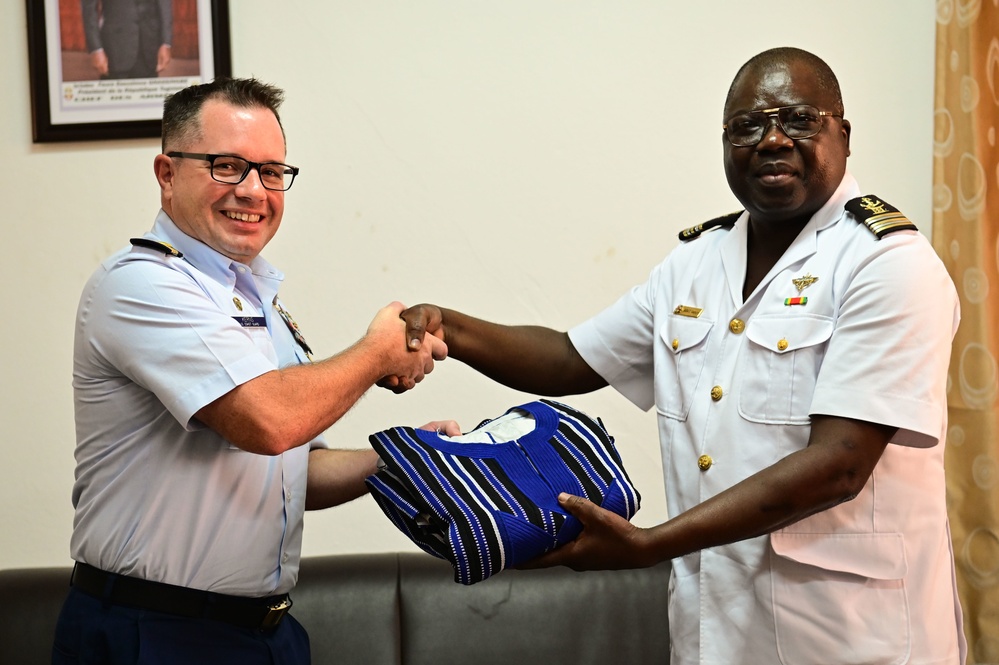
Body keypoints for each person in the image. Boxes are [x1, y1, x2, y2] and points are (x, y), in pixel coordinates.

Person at [401, 47, 967, 664]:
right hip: (717, 631)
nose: (772, 140)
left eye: (798, 119)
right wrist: (448, 327)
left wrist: (651, 544)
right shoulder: (696, 264)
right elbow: (570, 358)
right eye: (747, 126)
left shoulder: (887, 264)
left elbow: (839, 463)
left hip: (851, 638)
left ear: (843, 134)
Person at [52, 77, 450, 665]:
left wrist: (404, 460)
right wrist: (376, 355)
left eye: (270, 172)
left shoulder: (259, 300)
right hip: (155, 631)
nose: (253, 191)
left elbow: (289, 471)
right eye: (226, 165)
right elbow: (268, 421)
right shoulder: (140, 284)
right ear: (166, 173)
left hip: (264, 632)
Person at [81, 0, 173, 79]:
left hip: (149, 46)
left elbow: (164, 4)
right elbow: (89, 10)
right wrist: (96, 49)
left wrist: (166, 42)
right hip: (115, 48)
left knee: (147, 96)